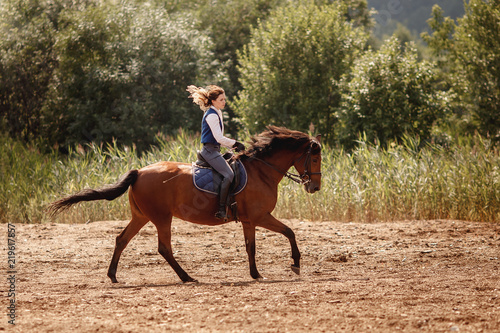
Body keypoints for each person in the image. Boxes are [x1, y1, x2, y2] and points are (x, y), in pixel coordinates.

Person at [187, 85, 245, 220]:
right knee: (229, 174)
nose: (224, 102)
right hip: (209, 151)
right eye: (221, 99)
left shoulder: (217, 111)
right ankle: (221, 210)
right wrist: (235, 143)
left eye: (224, 99)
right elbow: (218, 138)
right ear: (213, 101)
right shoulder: (212, 115)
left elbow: (218, 139)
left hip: (215, 149)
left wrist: (232, 147)